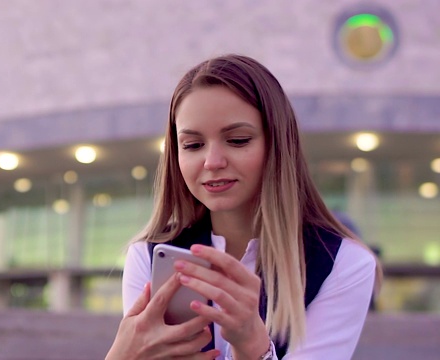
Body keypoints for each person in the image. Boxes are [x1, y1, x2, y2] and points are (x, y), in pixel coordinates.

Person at [105, 54, 380, 359]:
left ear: (277, 143)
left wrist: (253, 347)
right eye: (193, 145)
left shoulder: (342, 264)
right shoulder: (148, 255)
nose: (212, 162)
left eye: (237, 140)